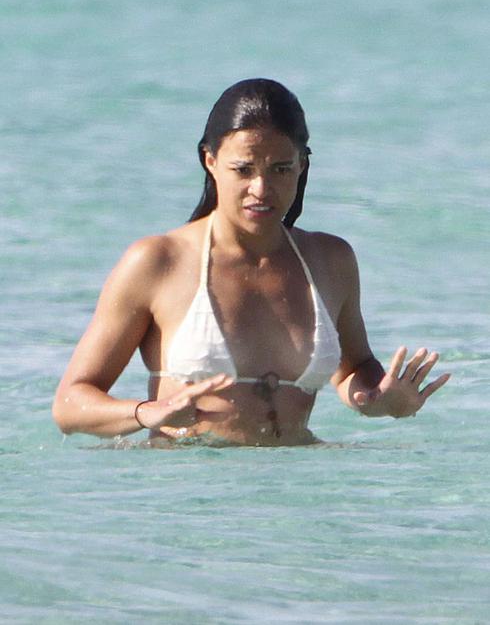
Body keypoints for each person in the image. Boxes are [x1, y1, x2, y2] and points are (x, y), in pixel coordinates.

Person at [52, 78, 450, 447]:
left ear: (302, 165)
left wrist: (378, 399)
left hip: (300, 481)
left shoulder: (331, 260)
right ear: (210, 161)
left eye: (280, 169)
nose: (261, 188)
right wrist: (146, 412)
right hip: (186, 484)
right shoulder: (158, 261)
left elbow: (353, 369)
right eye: (243, 170)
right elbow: (69, 405)